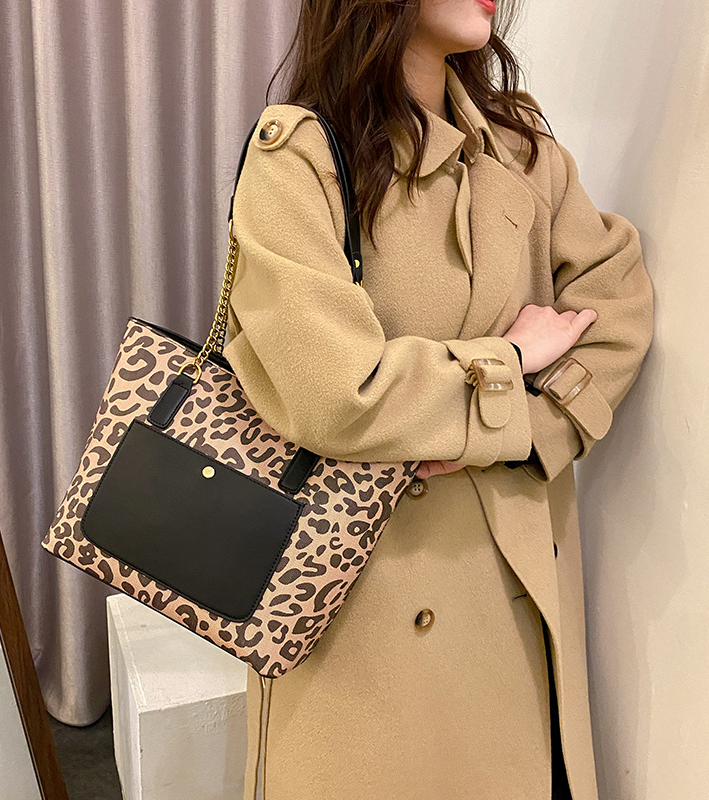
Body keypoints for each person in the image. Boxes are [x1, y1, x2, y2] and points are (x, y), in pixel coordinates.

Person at [222, 1, 655, 798]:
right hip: (355, 611)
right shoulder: (299, 158)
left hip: (512, 602)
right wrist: (508, 361)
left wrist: (518, 427)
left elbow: (616, 308)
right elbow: (337, 394)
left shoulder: (521, 153)